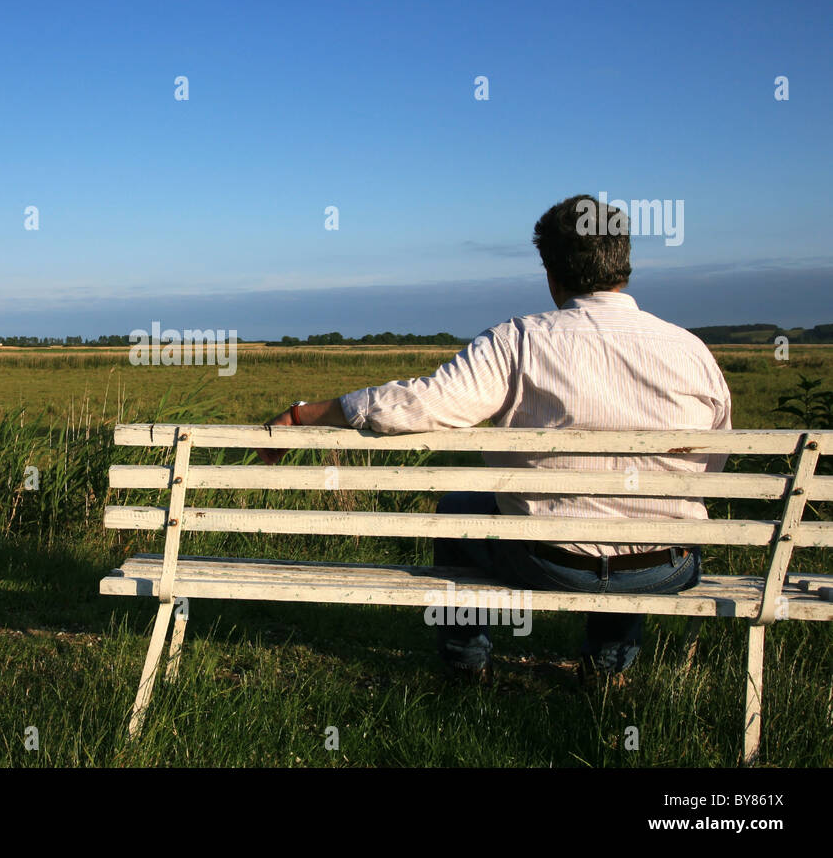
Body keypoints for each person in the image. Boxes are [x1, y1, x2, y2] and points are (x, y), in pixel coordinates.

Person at [257, 194, 733, 681]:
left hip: (549, 561)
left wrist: (305, 414)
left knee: (457, 510)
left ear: (551, 272)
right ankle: (606, 673)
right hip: (665, 566)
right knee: (638, 523)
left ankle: (468, 665)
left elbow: (425, 403)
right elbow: (710, 466)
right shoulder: (692, 351)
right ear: (625, 264)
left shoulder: (520, 340)